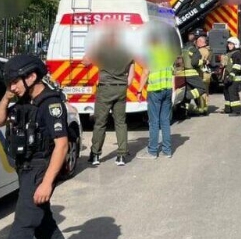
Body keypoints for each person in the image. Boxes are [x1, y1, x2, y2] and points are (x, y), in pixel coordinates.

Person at [0, 55, 69, 239]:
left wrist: (46, 184)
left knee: (20, 233)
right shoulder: (26, 101)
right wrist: (6, 97)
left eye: (15, 82)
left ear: (31, 77)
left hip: (39, 171)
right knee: (44, 227)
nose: (12, 87)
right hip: (25, 170)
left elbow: (62, 145)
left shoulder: (50, 104)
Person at [84, 30, 136, 167]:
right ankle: (122, 155)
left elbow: (85, 62)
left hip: (105, 89)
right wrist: (126, 83)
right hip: (120, 88)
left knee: (100, 122)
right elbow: (131, 71)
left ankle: (95, 154)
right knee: (120, 122)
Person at [140, 28, 176, 159]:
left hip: (155, 91)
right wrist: (173, 91)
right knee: (165, 121)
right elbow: (172, 74)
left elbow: (145, 73)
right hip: (167, 90)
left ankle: (153, 151)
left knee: (154, 122)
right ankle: (167, 151)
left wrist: (139, 90)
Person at [176, 29, 208, 116]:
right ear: (195, 41)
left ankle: (182, 113)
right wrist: (203, 62)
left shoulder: (182, 49)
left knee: (188, 89)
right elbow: (194, 63)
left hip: (180, 74)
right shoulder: (194, 50)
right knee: (202, 89)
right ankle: (184, 96)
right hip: (191, 74)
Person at [220, 36, 241, 116]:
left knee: (233, 93)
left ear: (236, 45)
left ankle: (236, 111)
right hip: (228, 76)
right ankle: (228, 109)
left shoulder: (237, 54)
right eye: (228, 44)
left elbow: (237, 66)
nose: (229, 46)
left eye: (231, 44)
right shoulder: (229, 53)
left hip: (235, 78)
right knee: (226, 92)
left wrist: (231, 76)